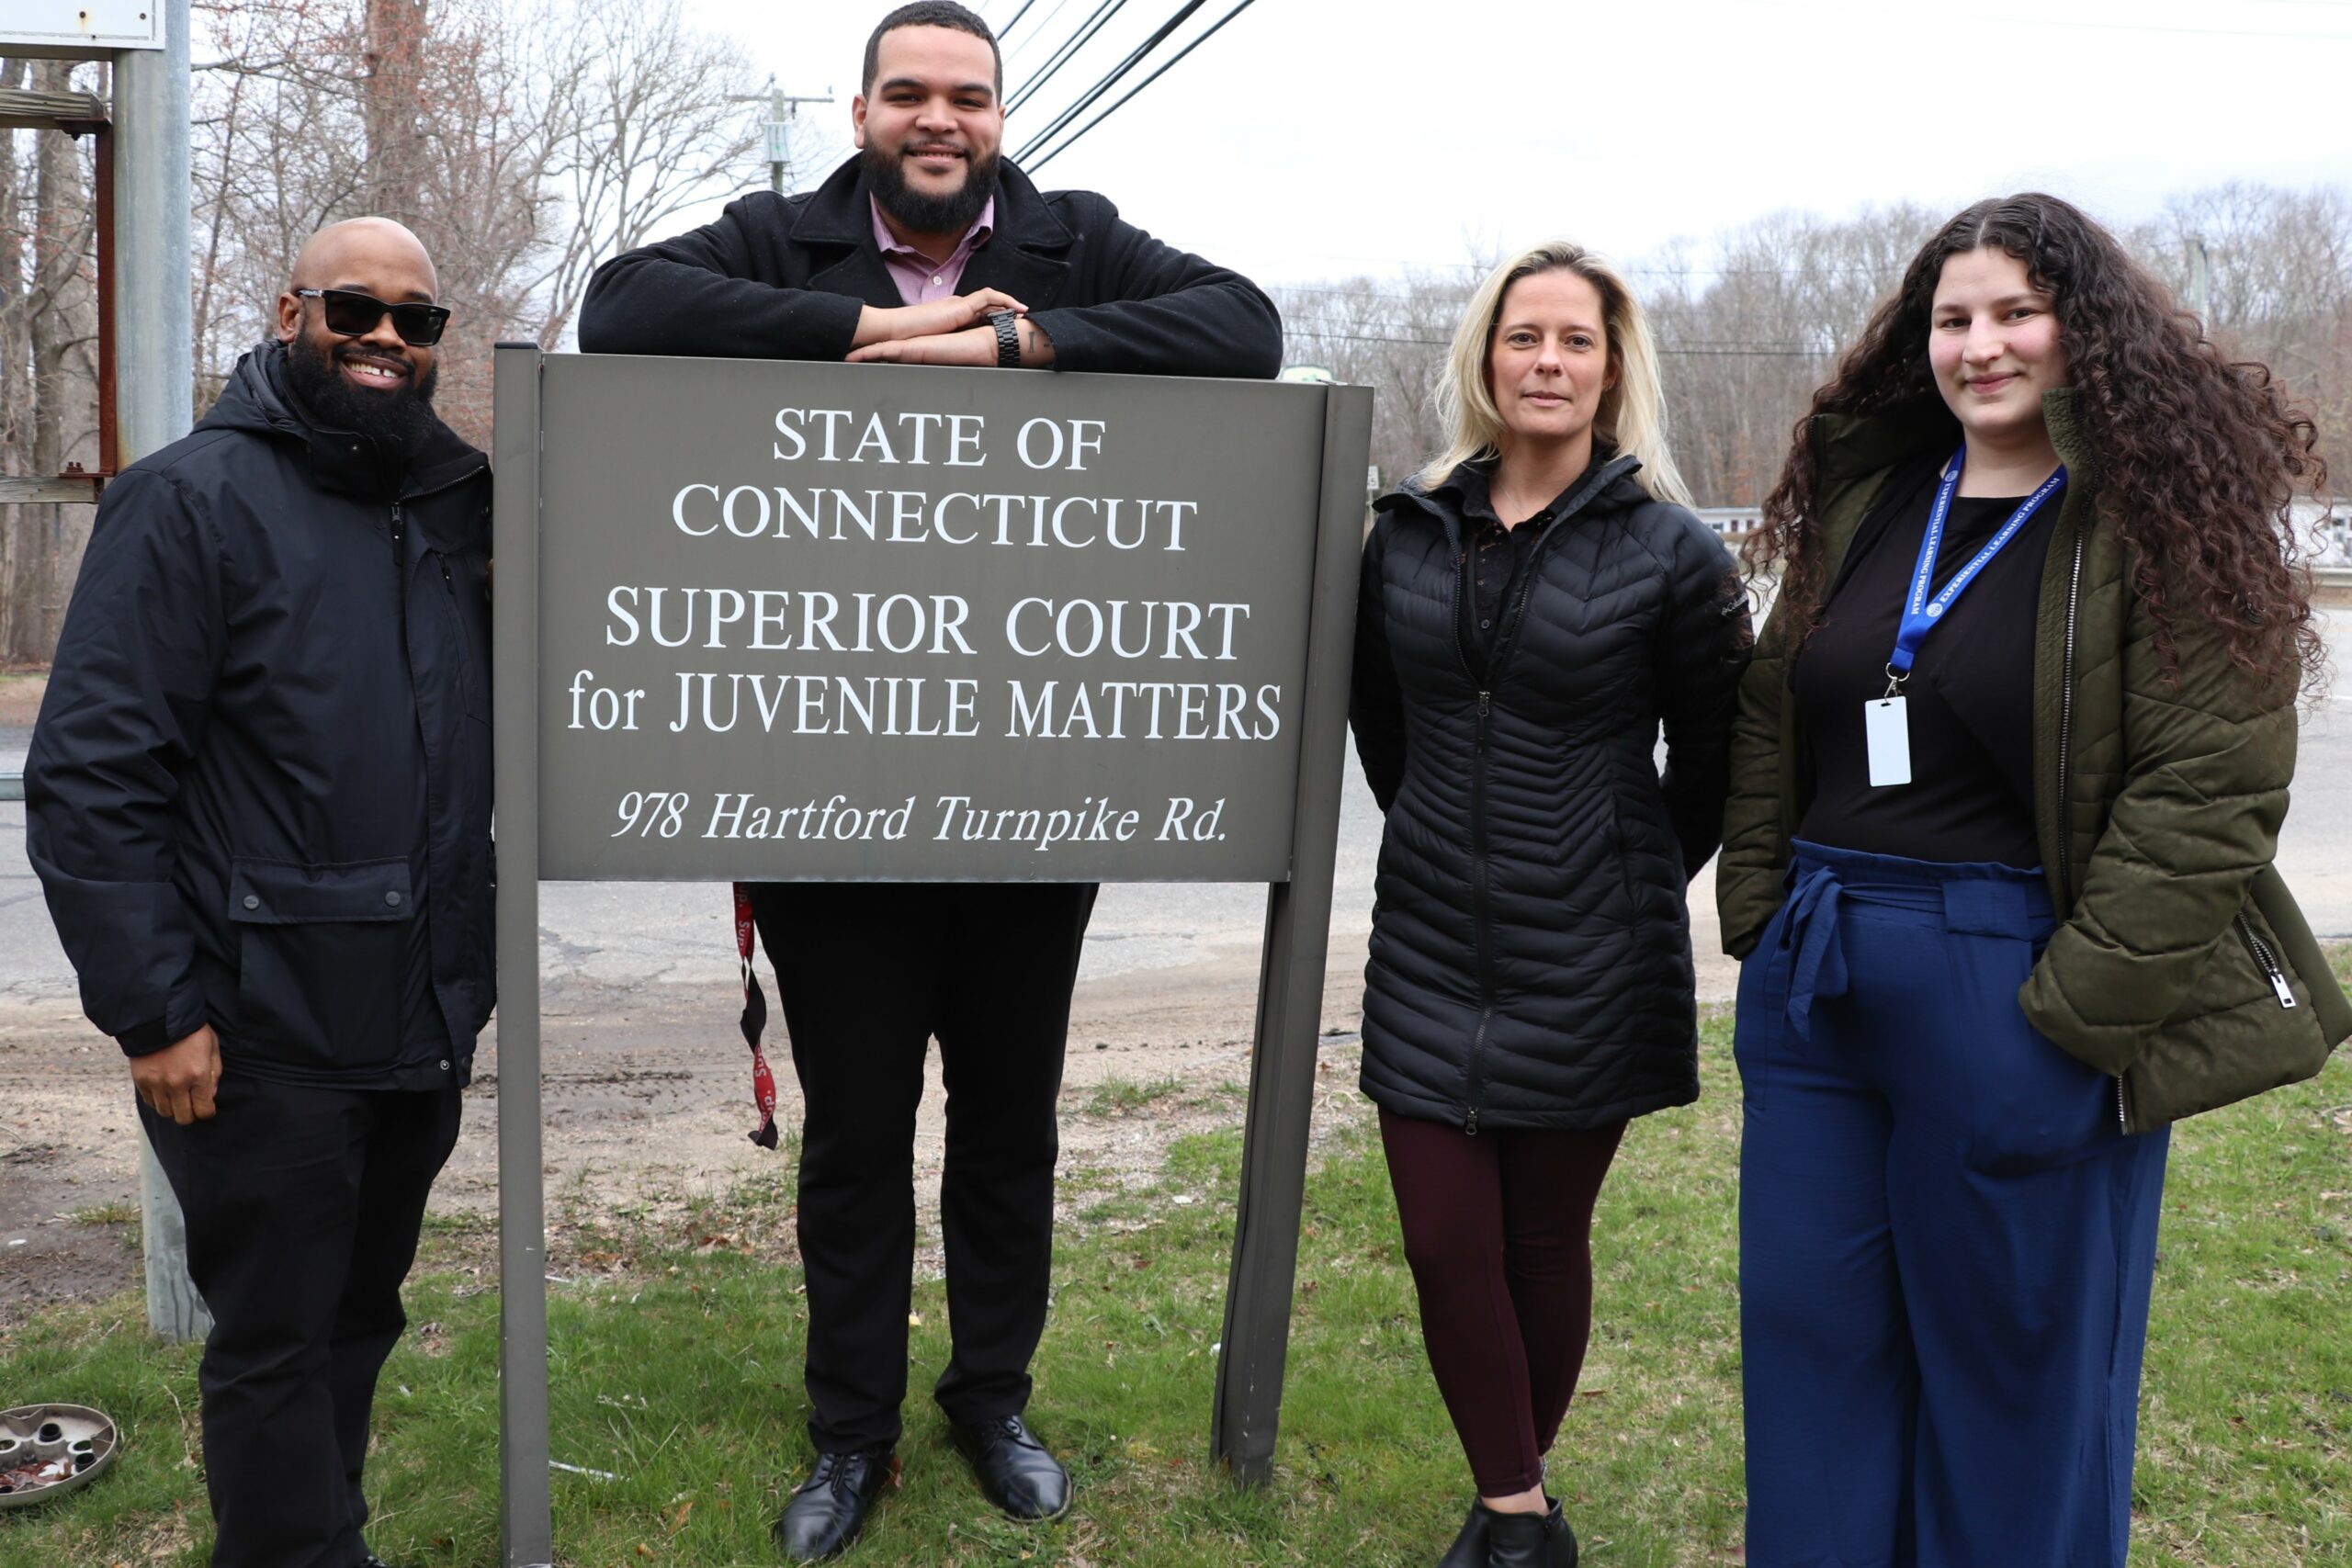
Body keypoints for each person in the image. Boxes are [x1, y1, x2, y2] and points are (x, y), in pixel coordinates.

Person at [578, 4, 1280, 1559]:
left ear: (999, 117)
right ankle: (851, 1433)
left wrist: (1026, 339)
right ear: (863, 113)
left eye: (968, 95)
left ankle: (992, 1399)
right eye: (911, 94)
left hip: (1037, 794)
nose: (939, 119)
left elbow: (1244, 327)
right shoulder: (779, 238)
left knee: (1010, 1127)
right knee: (856, 1138)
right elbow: (618, 306)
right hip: (834, 800)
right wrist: (880, 331)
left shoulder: (1075, 242)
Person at [1717, 192, 2350, 1568]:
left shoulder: (2159, 520)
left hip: (2012, 983)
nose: (1980, 345)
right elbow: (1781, 709)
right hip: (1819, 987)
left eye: (2017, 312)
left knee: (2016, 1388)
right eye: (1953, 318)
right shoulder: (1877, 490)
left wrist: (2070, 1016)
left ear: (2087, 335)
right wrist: (1763, 922)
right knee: (1812, 1363)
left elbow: (2211, 793)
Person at [27, 218, 492, 1568]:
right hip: (255, 1032)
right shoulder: (188, 500)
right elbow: (94, 777)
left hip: (416, 1016)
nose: (388, 338)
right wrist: (155, 1009)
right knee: (279, 1337)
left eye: (419, 320)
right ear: (291, 309)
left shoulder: (446, 509)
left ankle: (320, 1535)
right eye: (357, 306)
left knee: (361, 1315)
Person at [1350, 242, 1749, 1568]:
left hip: (1593, 952)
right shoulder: (1405, 531)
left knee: (1536, 1243)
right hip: (1425, 949)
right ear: (1485, 356)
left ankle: (1512, 1512)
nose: (1550, 362)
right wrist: (1452, 853)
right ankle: (1524, 1516)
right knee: (1443, 1242)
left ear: (1612, 370)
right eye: (1527, 337)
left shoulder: (1675, 555)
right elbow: (1385, 729)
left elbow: (1714, 765)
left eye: (1577, 342)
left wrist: (1611, 870)